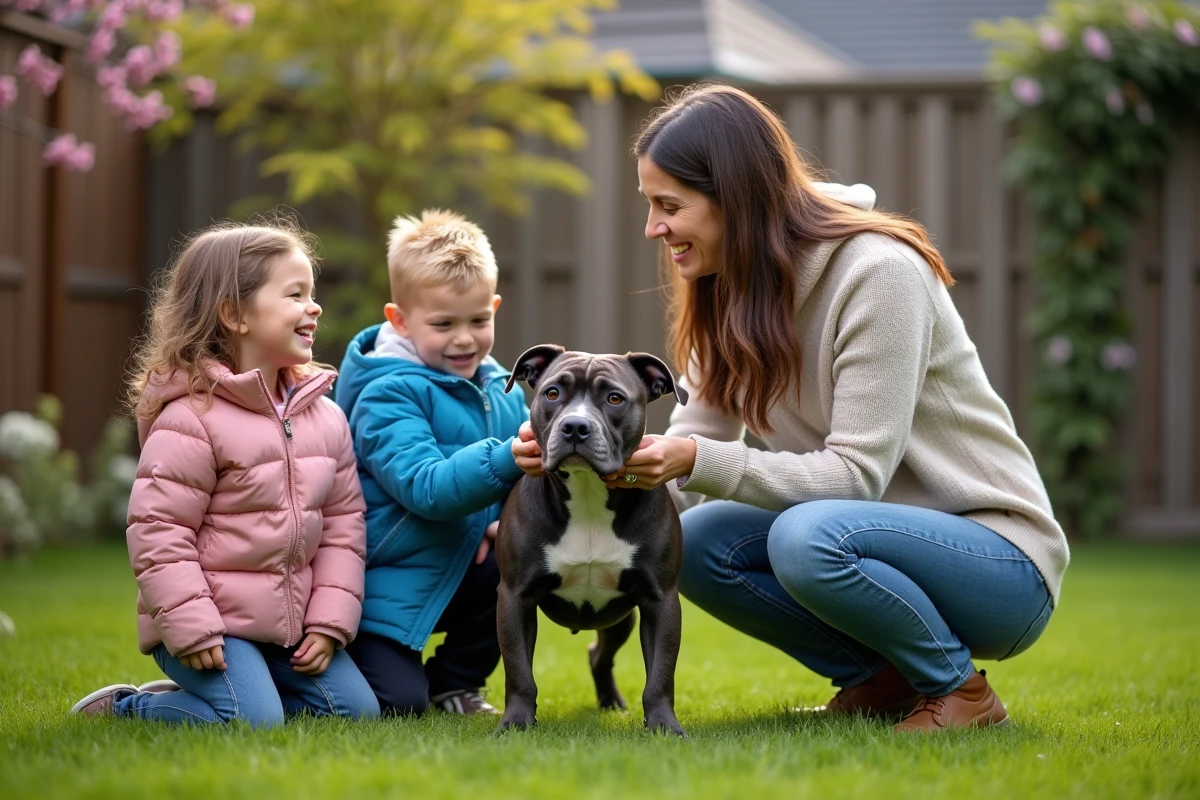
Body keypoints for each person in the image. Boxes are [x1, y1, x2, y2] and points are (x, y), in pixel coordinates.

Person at [513, 84, 1069, 732]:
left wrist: (692, 460)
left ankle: (959, 691)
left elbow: (856, 476)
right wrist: (583, 488)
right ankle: (880, 681)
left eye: (670, 205)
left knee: (808, 538)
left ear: (735, 200)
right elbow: (692, 444)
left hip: (999, 560)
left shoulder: (878, 273)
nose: (653, 228)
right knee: (692, 540)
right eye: (649, 205)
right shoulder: (728, 290)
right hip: (873, 542)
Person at [70, 219, 379, 726]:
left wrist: (328, 623)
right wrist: (191, 629)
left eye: (312, 293)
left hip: (290, 627)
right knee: (253, 721)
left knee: (356, 713)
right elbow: (158, 531)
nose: (314, 306)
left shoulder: (326, 416)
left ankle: (233, 694)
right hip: (206, 628)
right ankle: (129, 708)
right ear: (235, 314)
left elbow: (345, 529)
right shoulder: (191, 418)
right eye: (295, 294)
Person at [336, 209, 528, 717]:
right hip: (386, 584)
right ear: (399, 319)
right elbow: (425, 486)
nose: (464, 339)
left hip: (462, 565)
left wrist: (499, 520)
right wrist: (507, 458)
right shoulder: (386, 394)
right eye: (444, 324)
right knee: (397, 704)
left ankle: (456, 683)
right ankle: (322, 669)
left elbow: (524, 485)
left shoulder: (501, 389)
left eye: (478, 320)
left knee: (516, 563)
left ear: (495, 307)